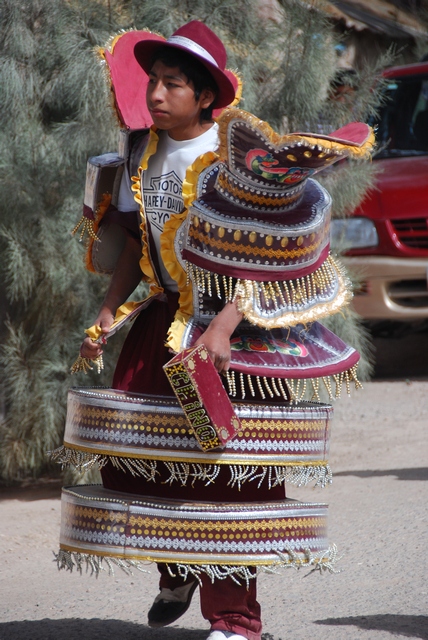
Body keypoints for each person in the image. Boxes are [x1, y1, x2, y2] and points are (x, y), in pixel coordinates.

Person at [79, 21, 264, 640]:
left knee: (225, 473)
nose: (156, 94)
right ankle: (178, 566)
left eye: (172, 84)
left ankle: (235, 620)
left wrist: (225, 327)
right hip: (159, 323)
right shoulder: (139, 152)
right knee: (132, 451)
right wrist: (110, 307)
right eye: (153, 81)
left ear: (205, 96)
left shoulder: (237, 160)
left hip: (227, 327)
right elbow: (136, 244)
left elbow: (264, 256)